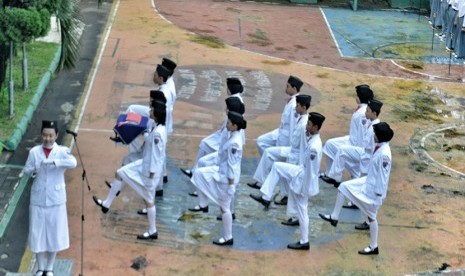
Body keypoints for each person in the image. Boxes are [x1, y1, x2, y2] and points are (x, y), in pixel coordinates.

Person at [93, 100, 167, 240]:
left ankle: (153, 230)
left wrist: (151, 174)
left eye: (151, 110)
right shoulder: (155, 126)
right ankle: (106, 204)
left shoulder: (158, 133)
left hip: (149, 170)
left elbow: (157, 156)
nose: (149, 111)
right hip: (144, 164)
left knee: (149, 200)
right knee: (120, 172)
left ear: (156, 114)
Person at [319, 122, 394, 255]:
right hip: (368, 182)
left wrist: (378, 196)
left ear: (380, 136)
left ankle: (373, 246)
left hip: (373, 191)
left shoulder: (385, 155)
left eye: (375, 134)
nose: (373, 136)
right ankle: (334, 217)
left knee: (372, 217)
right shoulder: (379, 147)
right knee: (343, 186)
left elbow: (382, 178)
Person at [23, 120, 77, 276]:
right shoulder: (34, 151)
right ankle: (40, 267)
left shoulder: (62, 151)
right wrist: (35, 168)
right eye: (45, 135)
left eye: (51, 135)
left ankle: (50, 267)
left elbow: (73, 162)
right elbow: (27, 170)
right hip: (38, 197)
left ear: (56, 135)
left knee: (55, 232)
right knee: (37, 233)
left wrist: (55, 161)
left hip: (56, 198)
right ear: (41, 135)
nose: (47, 138)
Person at [188, 111, 247, 246]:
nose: (227, 124)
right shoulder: (233, 135)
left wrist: (232, 185)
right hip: (222, 173)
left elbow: (232, 165)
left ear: (235, 125)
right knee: (198, 173)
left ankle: (228, 237)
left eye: (229, 123)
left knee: (225, 208)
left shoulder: (235, 143)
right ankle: (204, 203)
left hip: (227, 178)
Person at [248, 94, 311, 205]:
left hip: (295, 154)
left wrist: (298, 161)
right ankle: (262, 185)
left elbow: (304, 146)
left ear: (304, 107)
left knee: (279, 167)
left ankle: (270, 196)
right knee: (268, 153)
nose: (296, 107)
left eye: (298, 106)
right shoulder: (301, 119)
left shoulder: (304, 124)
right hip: (291, 150)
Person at [180, 77, 244, 178]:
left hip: (227, 135)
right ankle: (195, 171)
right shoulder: (235, 99)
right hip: (224, 132)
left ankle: (200, 175)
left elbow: (234, 121)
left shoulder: (236, 101)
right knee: (205, 144)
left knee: (216, 158)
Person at [247, 76, 302, 189]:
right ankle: (267, 170)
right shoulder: (291, 100)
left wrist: (291, 144)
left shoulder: (294, 104)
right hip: (280, 131)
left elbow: (293, 126)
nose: (285, 88)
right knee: (261, 141)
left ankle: (264, 180)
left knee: (276, 158)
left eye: (288, 86)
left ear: (294, 88)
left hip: (286, 137)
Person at [321, 99, 382, 186]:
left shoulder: (374, 128)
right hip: (364, 152)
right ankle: (335, 176)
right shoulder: (372, 124)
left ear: (374, 113)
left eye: (367, 111)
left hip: (366, 155)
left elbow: (370, 146)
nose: (365, 113)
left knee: (343, 150)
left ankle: (335, 177)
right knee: (342, 151)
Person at [321, 84, 373, 180]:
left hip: (356, 144)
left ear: (360, 97)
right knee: (329, 144)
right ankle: (329, 174)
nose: (355, 97)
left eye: (357, 95)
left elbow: (362, 135)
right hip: (351, 139)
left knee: (344, 155)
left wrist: (356, 150)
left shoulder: (362, 113)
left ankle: (335, 177)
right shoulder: (362, 109)